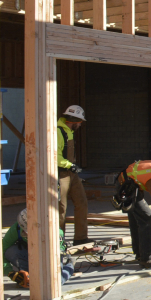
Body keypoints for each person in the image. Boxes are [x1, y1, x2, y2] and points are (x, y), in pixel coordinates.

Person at [2, 209, 73, 288]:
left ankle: (70, 265)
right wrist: (10, 272)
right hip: (30, 253)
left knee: (54, 284)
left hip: (50, 255)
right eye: (26, 233)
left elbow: (54, 256)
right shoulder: (17, 229)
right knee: (10, 252)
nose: (29, 235)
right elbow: (0, 252)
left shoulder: (54, 231)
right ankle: (27, 273)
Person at [57, 105, 89, 245]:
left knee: (81, 203)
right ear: (74, 121)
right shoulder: (58, 132)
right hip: (60, 174)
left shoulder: (69, 131)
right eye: (80, 123)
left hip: (72, 174)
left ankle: (80, 238)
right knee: (60, 208)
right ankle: (59, 241)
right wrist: (70, 165)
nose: (80, 125)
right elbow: (54, 156)